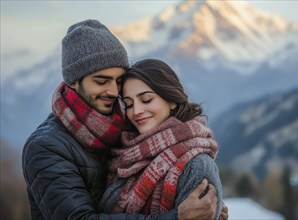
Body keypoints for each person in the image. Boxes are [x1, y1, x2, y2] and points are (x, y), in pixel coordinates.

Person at [22, 19, 226, 220]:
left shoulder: (128, 136)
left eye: (118, 81)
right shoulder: (46, 146)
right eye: (101, 81)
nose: (112, 91)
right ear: (73, 81)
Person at [99, 58, 224, 220]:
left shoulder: (197, 165)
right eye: (129, 104)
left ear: (171, 100)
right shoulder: (125, 156)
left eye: (146, 100)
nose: (136, 111)